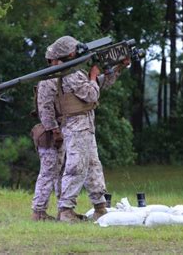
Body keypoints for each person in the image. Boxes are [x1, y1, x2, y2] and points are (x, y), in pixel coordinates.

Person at [45, 36, 130, 223]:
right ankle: (66, 210)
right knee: (76, 167)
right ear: (70, 54)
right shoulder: (69, 73)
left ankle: (100, 207)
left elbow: (100, 84)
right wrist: (92, 75)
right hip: (76, 126)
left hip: (85, 125)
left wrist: (118, 68)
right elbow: (91, 94)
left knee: (93, 166)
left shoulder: (75, 71)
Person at [30, 43, 66, 221]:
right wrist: (55, 131)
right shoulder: (48, 81)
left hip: (61, 130)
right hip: (50, 133)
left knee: (61, 173)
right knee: (48, 172)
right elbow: (45, 109)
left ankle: (63, 209)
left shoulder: (63, 77)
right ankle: (39, 211)